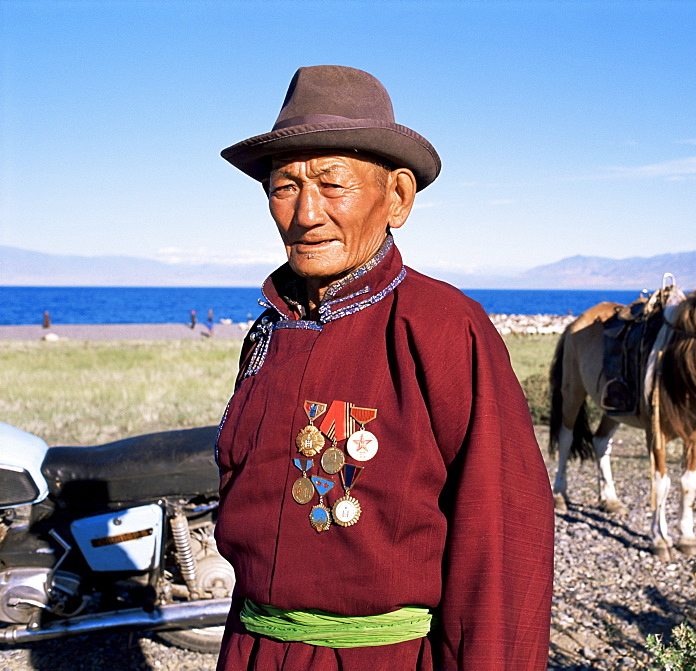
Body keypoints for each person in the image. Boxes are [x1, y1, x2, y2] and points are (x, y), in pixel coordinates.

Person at [214, 65, 554, 670]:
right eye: (284, 187)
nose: (305, 213)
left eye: (331, 184)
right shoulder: (269, 329)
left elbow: (501, 545)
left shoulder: (445, 328)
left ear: (397, 197)